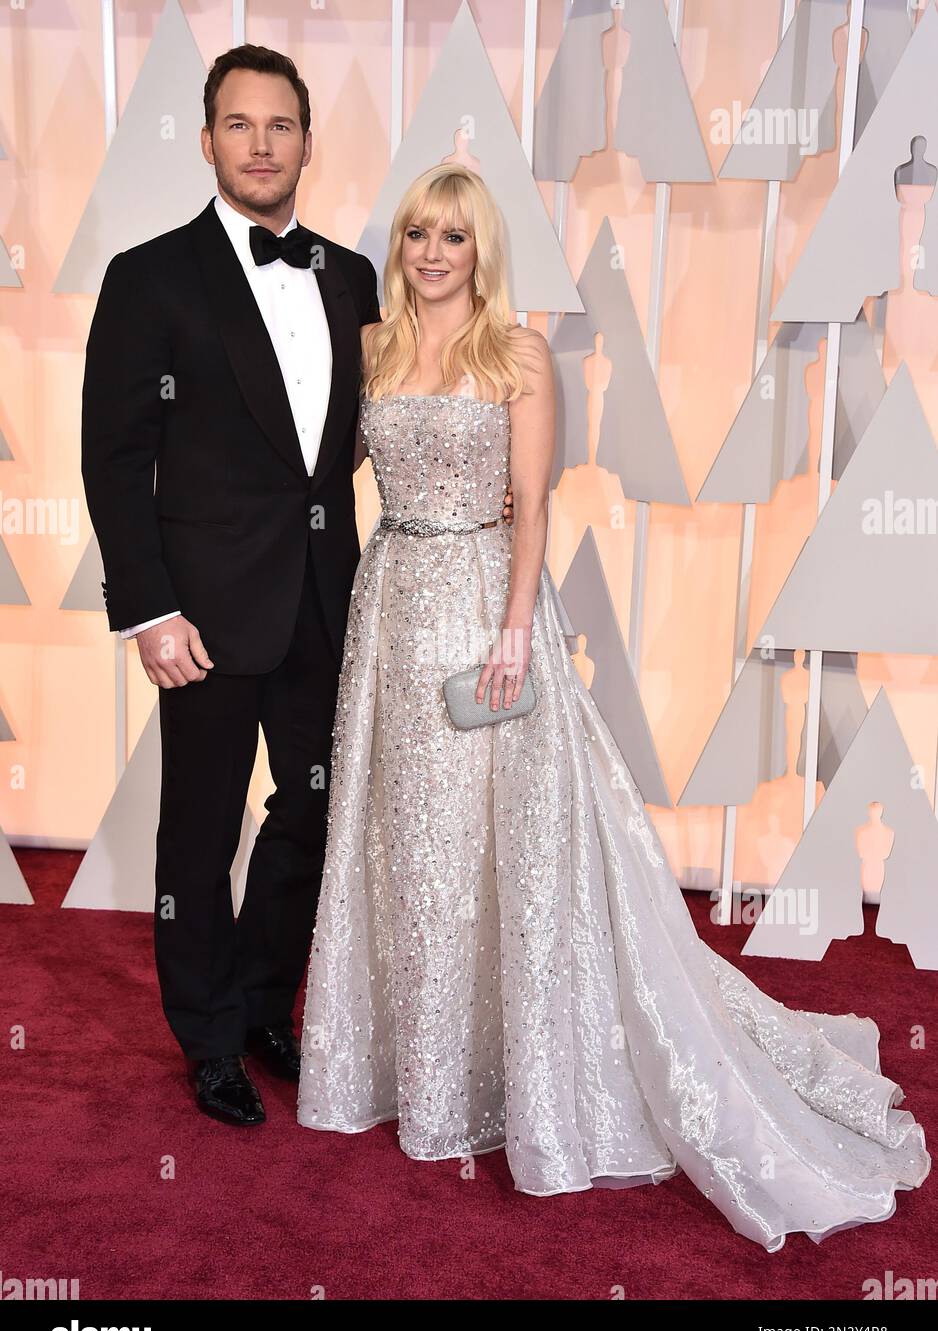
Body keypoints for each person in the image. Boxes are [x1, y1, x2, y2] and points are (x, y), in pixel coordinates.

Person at [297, 161, 931, 1251]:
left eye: (453, 235)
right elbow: (321, 468)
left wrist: (507, 632)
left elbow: (532, 504)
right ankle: (428, 1070)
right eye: (416, 234)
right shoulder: (371, 349)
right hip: (390, 610)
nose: (432, 252)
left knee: (500, 850)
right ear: (398, 246)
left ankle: (510, 1079)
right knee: (410, 850)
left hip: (485, 615)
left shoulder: (519, 355)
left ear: (480, 249)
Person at [81, 45, 514, 1127]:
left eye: (280, 126)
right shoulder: (149, 276)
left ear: (307, 142)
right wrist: (149, 607)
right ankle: (211, 1037)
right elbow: (111, 454)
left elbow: (364, 431)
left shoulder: (348, 275)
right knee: (199, 830)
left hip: (335, 600)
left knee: (317, 809)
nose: (262, 144)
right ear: (209, 139)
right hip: (204, 614)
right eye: (240, 125)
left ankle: (270, 1003)